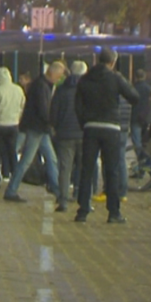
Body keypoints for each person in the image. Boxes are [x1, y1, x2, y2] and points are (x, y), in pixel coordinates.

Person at [74, 48, 138, 223]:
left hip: (90, 128)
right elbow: (134, 97)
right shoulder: (115, 78)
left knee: (86, 169)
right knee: (112, 170)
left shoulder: (84, 79)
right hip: (111, 128)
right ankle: (113, 212)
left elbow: (77, 105)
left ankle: (83, 210)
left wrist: (84, 123)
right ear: (113, 62)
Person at [3, 62, 66, 207]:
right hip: (36, 128)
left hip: (39, 129)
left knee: (52, 159)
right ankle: (11, 190)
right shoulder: (42, 86)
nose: (59, 79)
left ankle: (58, 191)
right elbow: (43, 110)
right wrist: (52, 123)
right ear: (52, 73)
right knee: (27, 161)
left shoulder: (40, 84)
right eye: (59, 76)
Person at [50, 61, 86, 208]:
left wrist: (58, 128)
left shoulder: (61, 90)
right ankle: (83, 199)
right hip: (84, 134)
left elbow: (53, 113)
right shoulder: (88, 90)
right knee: (84, 168)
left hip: (64, 135)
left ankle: (63, 200)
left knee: (65, 168)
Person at [0, 67, 25, 188]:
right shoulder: (18, 89)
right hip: (13, 125)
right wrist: (17, 118)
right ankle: (14, 179)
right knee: (12, 152)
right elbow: (22, 105)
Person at [129, 69, 151, 177]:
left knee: (137, 145)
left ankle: (142, 168)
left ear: (135, 77)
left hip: (135, 119)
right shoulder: (150, 89)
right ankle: (146, 166)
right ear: (145, 76)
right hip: (146, 120)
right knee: (145, 145)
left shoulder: (133, 88)